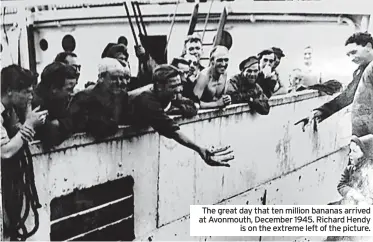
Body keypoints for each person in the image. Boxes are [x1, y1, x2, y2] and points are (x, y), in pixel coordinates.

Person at [132, 64, 234, 167]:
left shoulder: (168, 93)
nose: (178, 89)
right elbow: (173, 131)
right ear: (159, 86)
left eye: (179, 84)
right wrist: (199, 149)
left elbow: (192, 105)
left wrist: (180, 108)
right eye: (173, 86)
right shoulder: (146, 100)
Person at [1, 65, 48, 240]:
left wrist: (27, 118)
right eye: (27, 92)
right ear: (10, 91)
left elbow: (15, 133)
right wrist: (29, 125)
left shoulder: (9, 110)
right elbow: (5, 151)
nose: (31, 97)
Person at [297, 32, 373, 131]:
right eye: (348, 55)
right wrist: (321, 111)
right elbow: (348, 96)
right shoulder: (361, 70)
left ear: (368, 46)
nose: (351, 58)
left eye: (354, 52)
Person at [60, 58, 132, 140]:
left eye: (121, 78)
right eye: (113, 78)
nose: (119, 82)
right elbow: (73, 126)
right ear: (101, 78)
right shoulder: (83, 98)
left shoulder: (122, 97)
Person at [32, 62, 79, 147]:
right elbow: (51, 136)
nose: (72, 93)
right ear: (54, 88)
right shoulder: (34, 103)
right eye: (69, 89)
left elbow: (76, 121)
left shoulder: (59, 98)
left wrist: (58, 123)